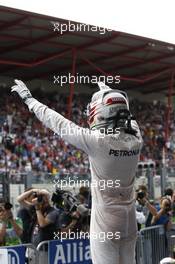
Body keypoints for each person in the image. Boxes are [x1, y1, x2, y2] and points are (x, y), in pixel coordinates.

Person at [11, 80, 143, 264]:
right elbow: (127, 115)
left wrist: (29, 100)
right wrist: (109, 92)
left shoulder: (98, 142)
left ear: (100, 113)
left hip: (105, 223)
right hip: (129, 221)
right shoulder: (137, 138)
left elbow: (57, 122)